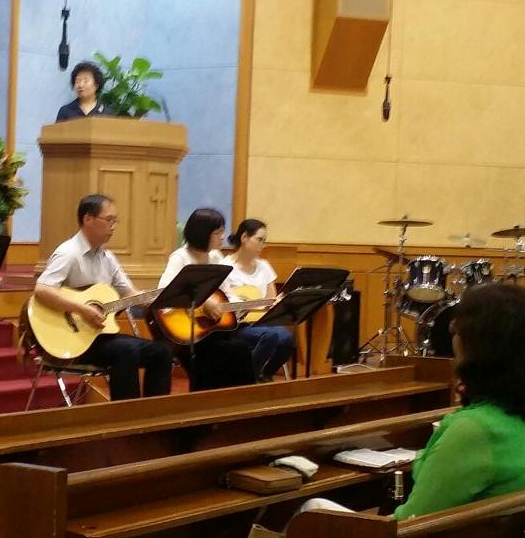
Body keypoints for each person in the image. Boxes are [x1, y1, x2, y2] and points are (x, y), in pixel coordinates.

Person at [297, 283, 525, 521]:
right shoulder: (508, 418)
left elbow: (413, 521)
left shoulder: (474, 431)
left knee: (312, 510)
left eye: (460, 326)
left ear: (480, 346)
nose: (451, 330)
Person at [32, 194, 173, 400]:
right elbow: (42, 290)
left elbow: (130, 294)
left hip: (101, 337)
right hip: (72, 340)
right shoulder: (68, 253)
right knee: (126, 350)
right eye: (109, 220)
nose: (113, 227)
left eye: (115, 221)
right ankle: (125, 416)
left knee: (161, 352)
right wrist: (83, 309)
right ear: (88, 219)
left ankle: (156, 414)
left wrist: (163, 297)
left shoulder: (108, 258)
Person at [157, 208, 255, 390]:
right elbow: (164, 294)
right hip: (187, 331)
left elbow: (226, 293)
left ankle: (243, 400)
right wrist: (202, 300)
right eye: (218, 232)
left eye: (223, 231)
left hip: (211, 330)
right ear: (202, 233)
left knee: (240, 349)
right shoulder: (180, 258)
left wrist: (240, 304)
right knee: (224, 352)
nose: (223, 236)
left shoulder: (216, 257)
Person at [222, 219, 293, 382]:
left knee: (286, 338)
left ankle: (265, 374)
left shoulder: (264, 266)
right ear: (244, 237)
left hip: (262, 322)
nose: (263, 245)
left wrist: (276, 303)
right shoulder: (225, 266)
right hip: (238, 325)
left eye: (264, 241)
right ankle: (247, 379)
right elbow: (223, 301)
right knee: (270, 336)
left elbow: (270, 300)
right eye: (259, 239)